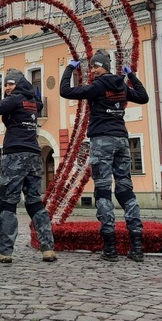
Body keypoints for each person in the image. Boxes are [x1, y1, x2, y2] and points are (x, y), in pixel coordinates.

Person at [59, 49, 149, 262]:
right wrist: (132, 76)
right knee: (125, 190)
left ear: (102, 67)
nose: (91, 70)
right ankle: (136, 247)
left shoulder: (98, 86)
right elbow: (143, 97)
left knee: (103, 191)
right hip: (121, 141)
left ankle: (110, 248)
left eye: (93, 66)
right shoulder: (123, 86)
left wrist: (70, 68)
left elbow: (65, 91)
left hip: (102, 140)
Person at [0, 69, 57, 264]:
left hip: (15, 155)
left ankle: (5, 252)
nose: (7, 88)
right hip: (33, 154)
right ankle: (47, 248)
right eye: (5, 84)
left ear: (18, 85)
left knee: (8, 202)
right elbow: (38, 102)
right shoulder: (32, 103)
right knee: (34, 202)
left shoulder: (15, 100)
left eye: (10, 84)